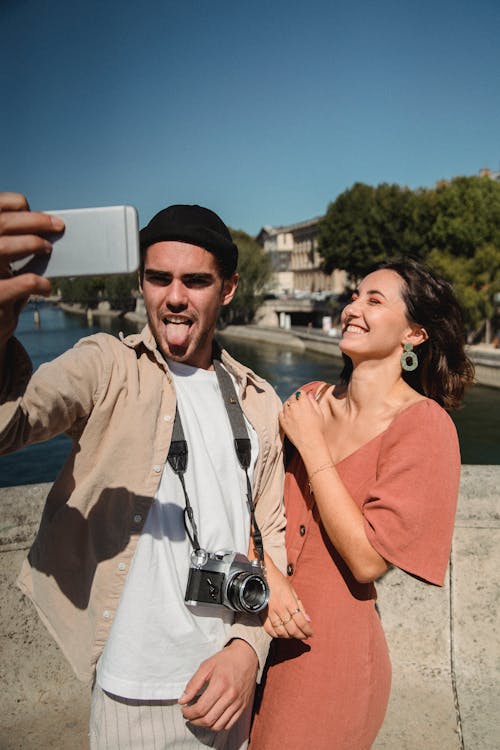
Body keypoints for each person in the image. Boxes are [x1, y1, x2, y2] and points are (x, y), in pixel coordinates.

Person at [0, 192, 286, 750]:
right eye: (159, 278)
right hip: (129, 698)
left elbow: (271, 537)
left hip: (228, 691)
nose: (174, 298)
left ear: (227, 289)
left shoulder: (260, 399)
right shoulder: (106, 364)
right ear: (141, 282)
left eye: (195, 282)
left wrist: (247, 651)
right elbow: (12, 426)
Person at [249, 259, 475, 750]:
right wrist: (264, 569)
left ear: (414, 334)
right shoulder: (309, 398)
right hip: (250, 631)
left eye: (375, 300)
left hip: (327, 658)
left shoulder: (425, 426)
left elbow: (368, 559)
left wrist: (312, 446)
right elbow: (250, 503)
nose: (352, 307)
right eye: (355, 296)